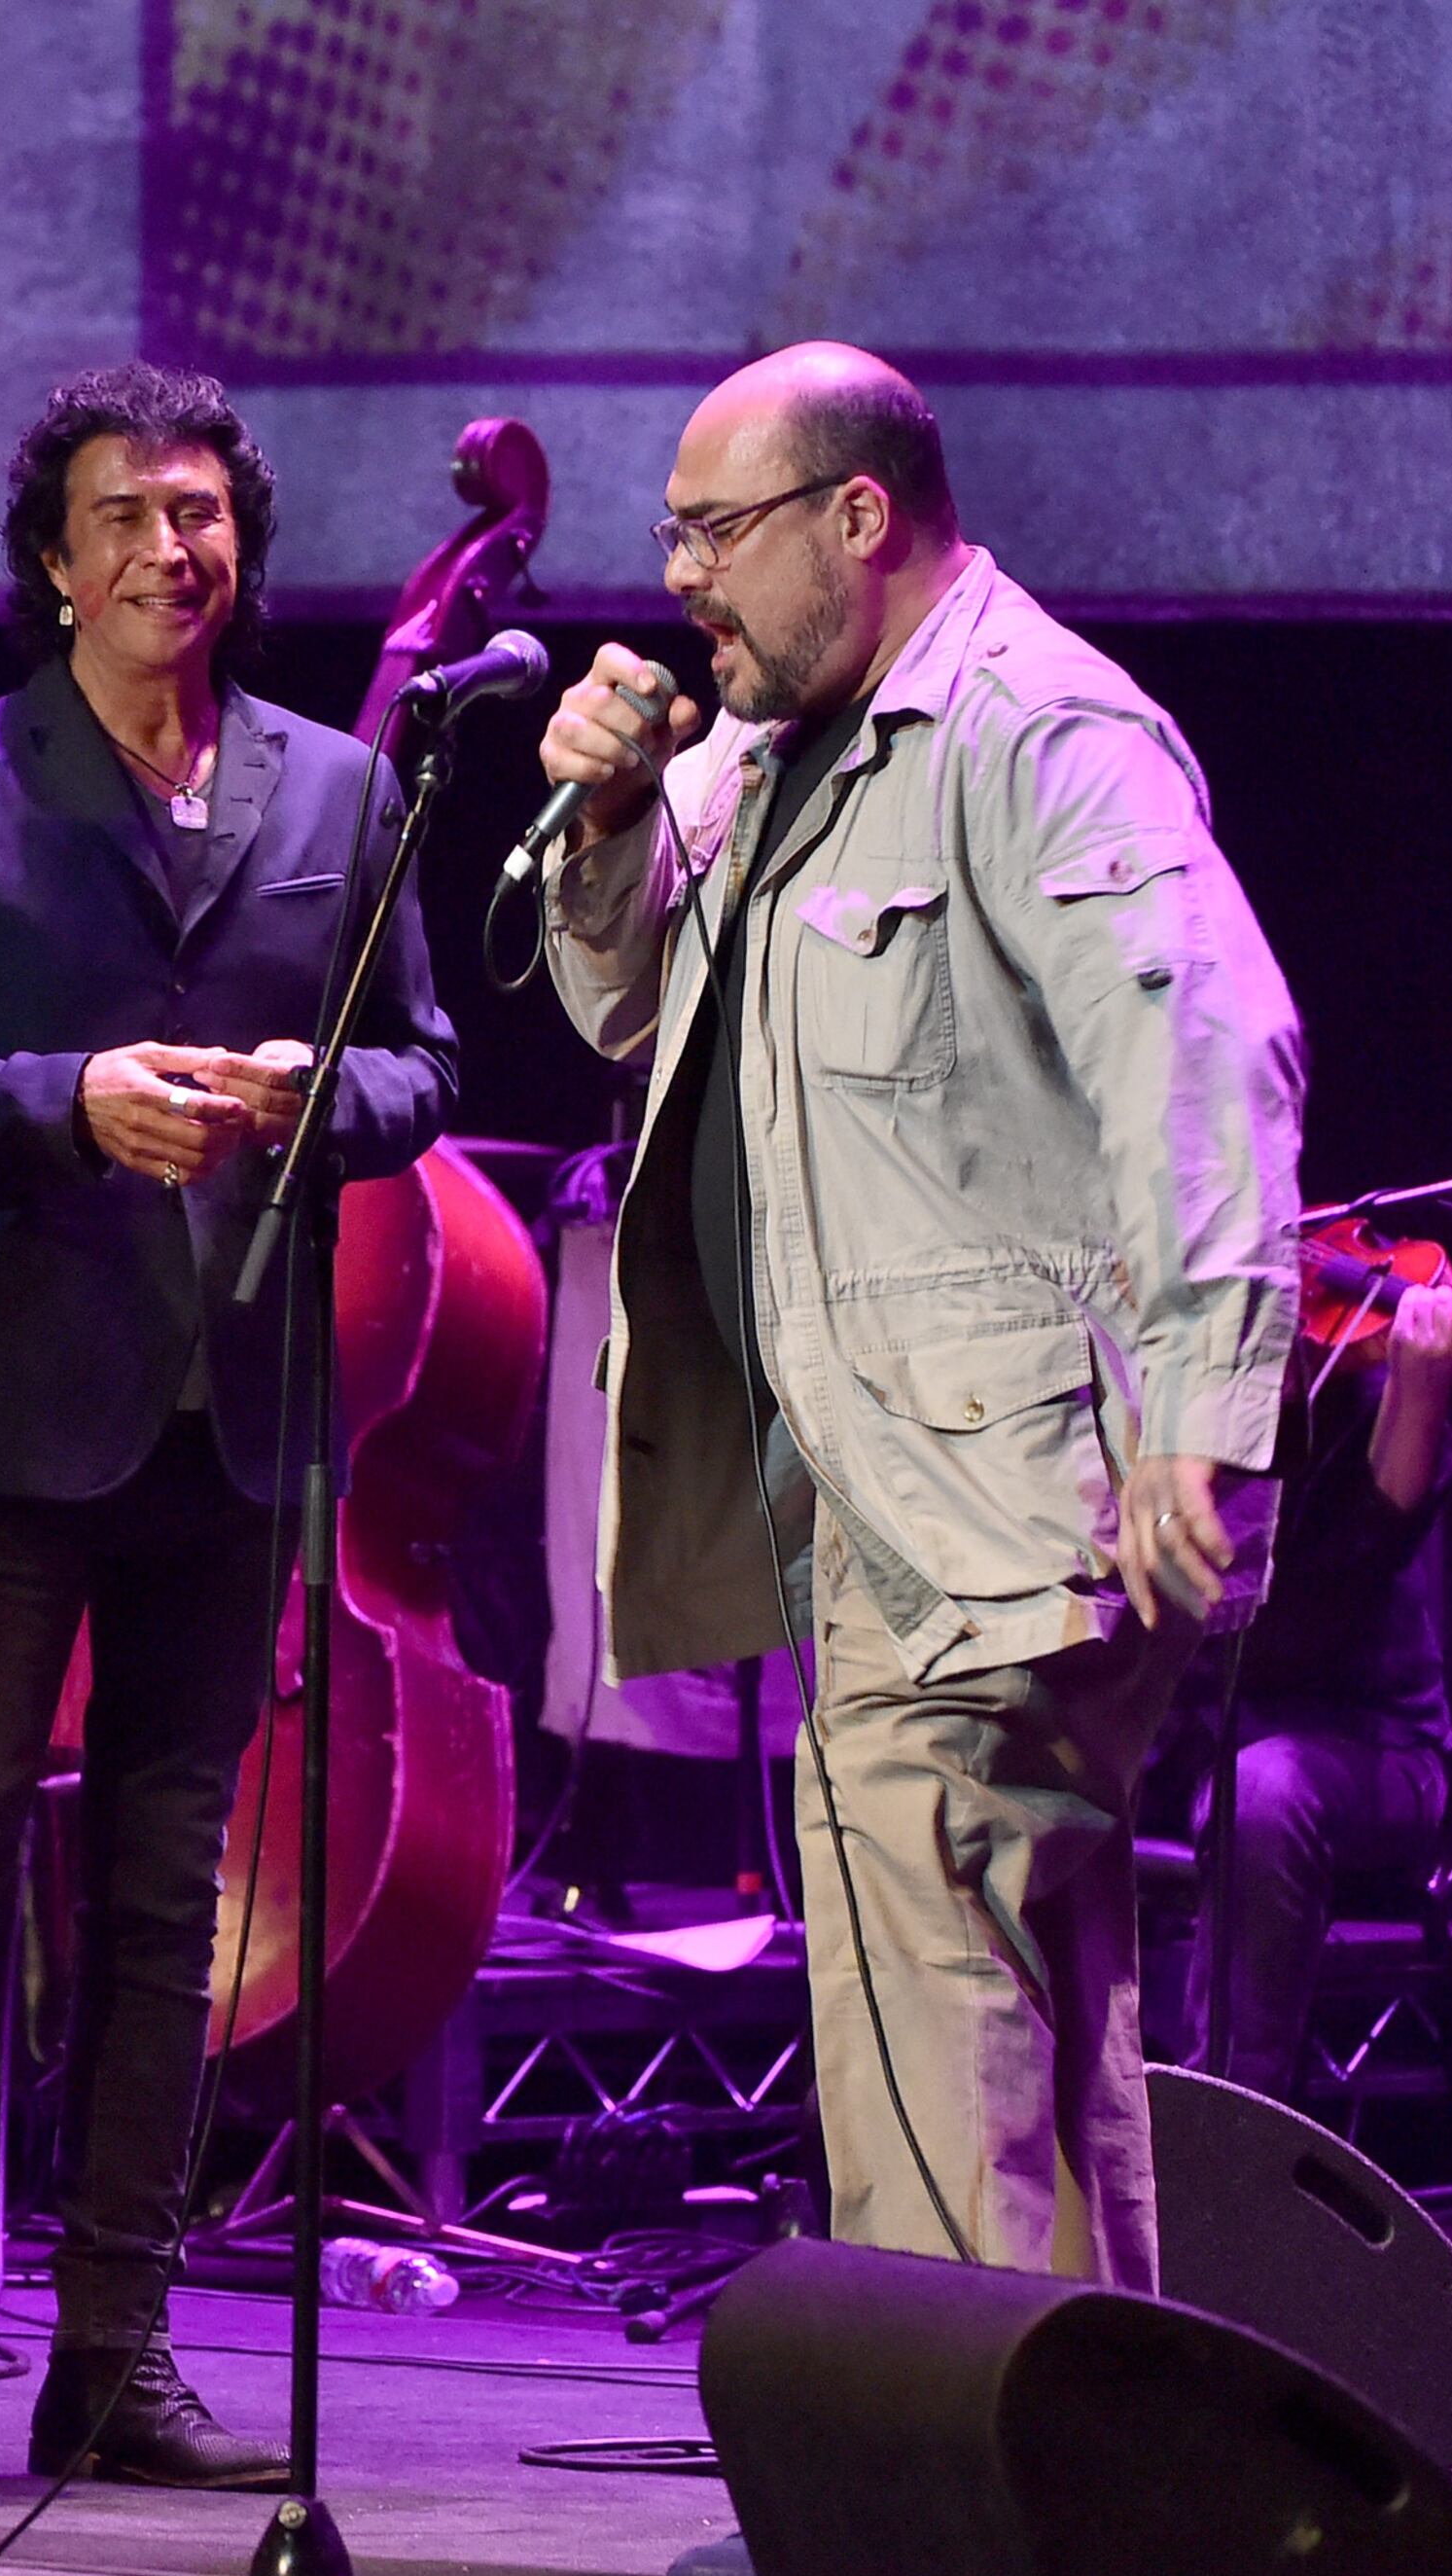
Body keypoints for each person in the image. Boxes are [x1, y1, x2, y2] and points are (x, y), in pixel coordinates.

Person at [532, 343, 1302, 2284]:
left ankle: (961, 2492)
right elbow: (619, 1008)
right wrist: (610, 825)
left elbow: (1203, 1047)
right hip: (893, 1497)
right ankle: (1105, 2481)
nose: (681, 579)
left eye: (717, 531)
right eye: (672, 535)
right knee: (1031, 2004)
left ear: (856, 517)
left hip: (1011, 1505)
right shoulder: (773, 750)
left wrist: (1211, 1404)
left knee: (929, 2021)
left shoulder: (1038, 734)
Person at [0, 362, 457, 2494]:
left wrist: (305, 1100)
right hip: (6, 1414)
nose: (178, 546)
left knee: (174, 1895)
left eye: (204, 512)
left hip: (236, 1414)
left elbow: (424, 1066)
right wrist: (59, 1101)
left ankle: (116, 2348)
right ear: (56, 561)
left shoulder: (341, 794)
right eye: (129, 514)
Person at [1178, 1278, 1452, 2097]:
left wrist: (1421, 1393)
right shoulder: (1160, 1408)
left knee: (1263, 1793)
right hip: (1185, 1755)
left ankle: (1227, 2161)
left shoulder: (1362, 1393)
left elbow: (1341, 1585)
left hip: (1374, 1756)